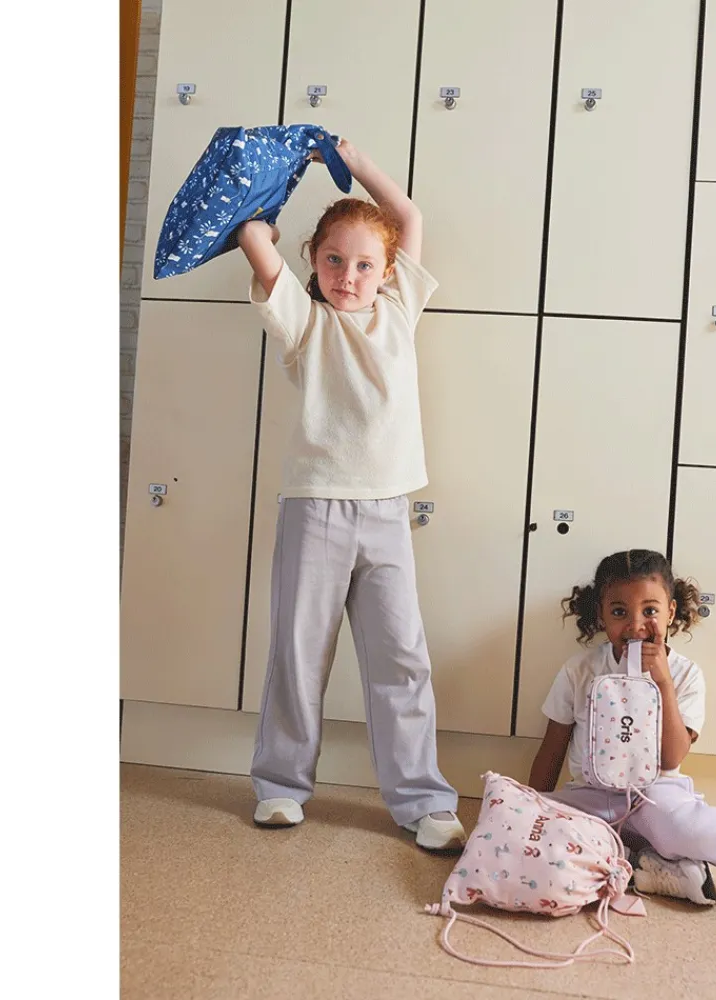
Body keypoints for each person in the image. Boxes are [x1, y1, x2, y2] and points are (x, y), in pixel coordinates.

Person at [237, 138, 464, 851]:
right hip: (316, 509)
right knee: (298, 652)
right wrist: (264, 205)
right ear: (312, 261)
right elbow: (254, 242)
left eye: (365, 264)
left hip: (388, 510)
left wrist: (348, 160)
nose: (348, 276)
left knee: (402, 658)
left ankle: (422, 800)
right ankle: (280, 786)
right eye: (333, 260)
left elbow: (407, 214)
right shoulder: (304, 322)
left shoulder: (399, 309)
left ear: (388, 271)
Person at [527, 549, 716, 917]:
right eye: (619, 612)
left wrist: (662, 682)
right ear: (601, 615)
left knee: (698, 831)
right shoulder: (579, 670)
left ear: (670, 612)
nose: (635, 626)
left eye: (650, 611)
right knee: (540, 836)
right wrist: (528, 810)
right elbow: (552, 748)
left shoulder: (684, 674)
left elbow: (673, 757)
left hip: (656, 797)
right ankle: (651, 865)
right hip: (591, 797)